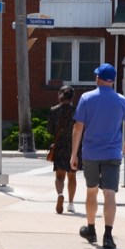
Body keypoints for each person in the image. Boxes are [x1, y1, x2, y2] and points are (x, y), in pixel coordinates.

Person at [70, 63, 125, 249]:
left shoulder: (86, 98)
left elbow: (78, 127)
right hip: (113, 153)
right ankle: (108, 235)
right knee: (109, 194)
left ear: (98, 78)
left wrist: (74, 154)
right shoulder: (121, 100)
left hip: (91, 153)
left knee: (92, 191)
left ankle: (91, 229)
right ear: (113, 81)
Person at [47, 85, 79, 214]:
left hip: (60, 146)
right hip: (74, 146)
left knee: (59, 176)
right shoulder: (77, 111)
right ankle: (71, 203)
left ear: (60, 95)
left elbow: (49, 129)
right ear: (72, 97)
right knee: (72, 175)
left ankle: (60, 193)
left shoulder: (54, 110)